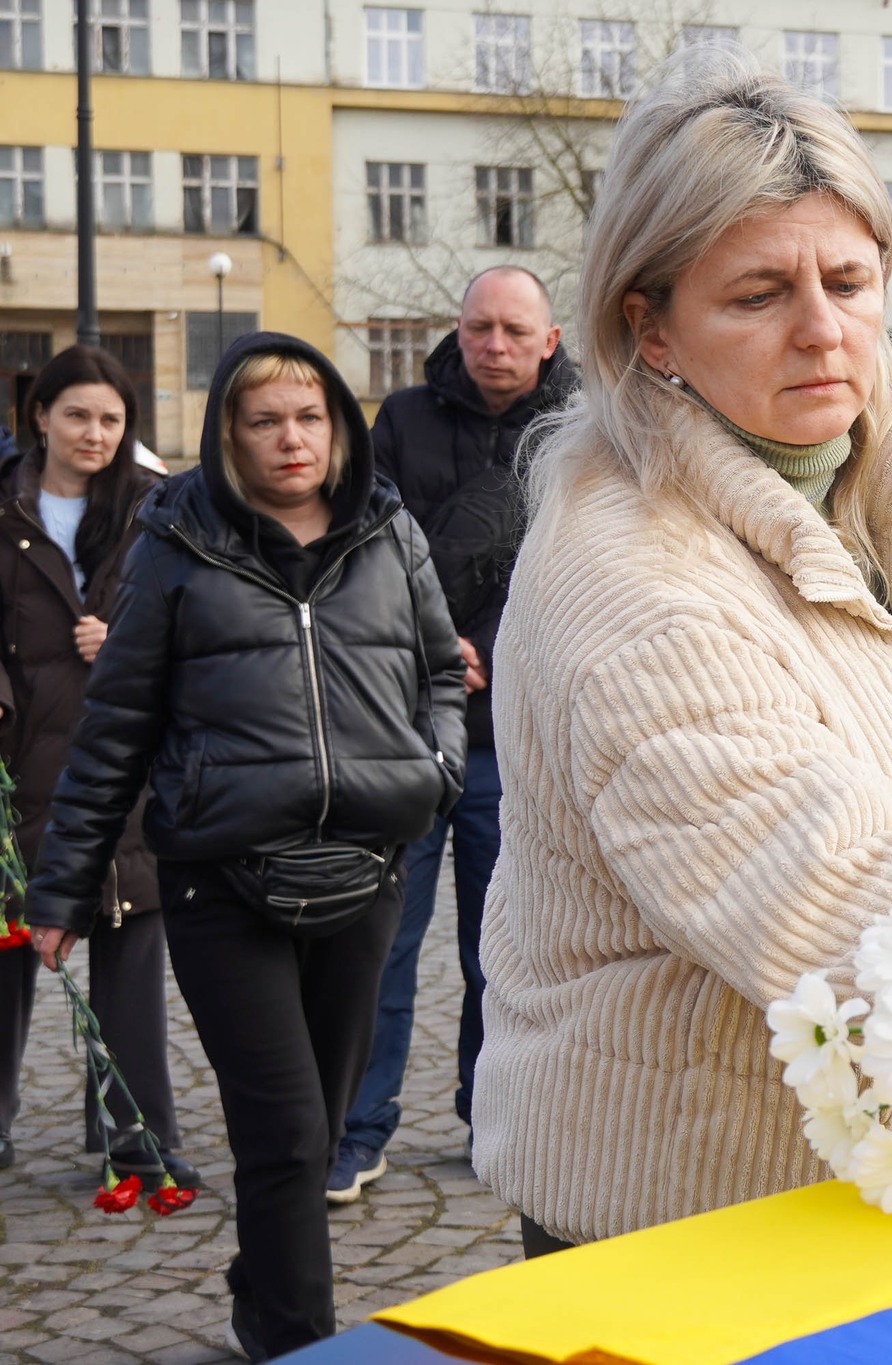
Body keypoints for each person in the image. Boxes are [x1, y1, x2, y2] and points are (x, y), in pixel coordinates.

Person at [472, 51, 892, 1255]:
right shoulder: (638, 583)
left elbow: (889, 709)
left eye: (848, 280)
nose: (821, 330)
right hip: (680, 1209)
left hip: (817, 1170)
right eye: (757, 295)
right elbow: (814, 890)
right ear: (650, 329)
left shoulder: (843, 480)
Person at [25, 332, 466, 1361]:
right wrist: (61, 890)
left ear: (340, 425)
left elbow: (442, 673)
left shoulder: (389, 533)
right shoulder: (176, 545)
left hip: (364, 873)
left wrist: (432, 770)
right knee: (283, 1133)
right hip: (222, 883)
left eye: (309, 416)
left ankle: (260, 1286)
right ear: (228, 432)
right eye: (264, 420)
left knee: (313, 1130)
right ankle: (298, 1341)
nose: (291, 439)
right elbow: (116, 726)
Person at [330, 265, 578, 1202]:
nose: (496, 346)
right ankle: (360, 1129)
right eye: (480, 328)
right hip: (402, 721)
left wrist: (497, 652)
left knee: (500, 944)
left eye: (516, 330)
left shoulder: (584, 426)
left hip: (509, 739)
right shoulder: (401, 420)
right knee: (381, 939)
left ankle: (490, 1117)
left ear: (549, 340)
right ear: (459, 330)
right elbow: (363, 551)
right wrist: (434, 647)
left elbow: (587, 569)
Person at [0, 346, 190, 1182]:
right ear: (39, 415)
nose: (95, 432)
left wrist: (126, 647)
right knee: (9, 948)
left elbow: (194, 625)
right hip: (16, 757)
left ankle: (134, 1133)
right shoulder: (3, 508)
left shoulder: (157, 510)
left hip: (123, 764)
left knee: (129, 953)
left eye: (112, 418)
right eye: (77, 414)